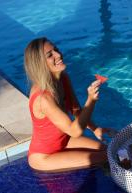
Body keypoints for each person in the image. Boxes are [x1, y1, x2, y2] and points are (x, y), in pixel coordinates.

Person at [24, 37, 110, 172]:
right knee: (107, 157)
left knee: (109, 151)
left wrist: (95, 128)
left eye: (56, 50)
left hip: (64, 141)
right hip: (44, 156)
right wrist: (91, 100)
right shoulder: (43, 98)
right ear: (39, 64)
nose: (58, 55)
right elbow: (74, 131)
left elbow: (76, 110)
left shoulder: (63, 78)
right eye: (50, 55)